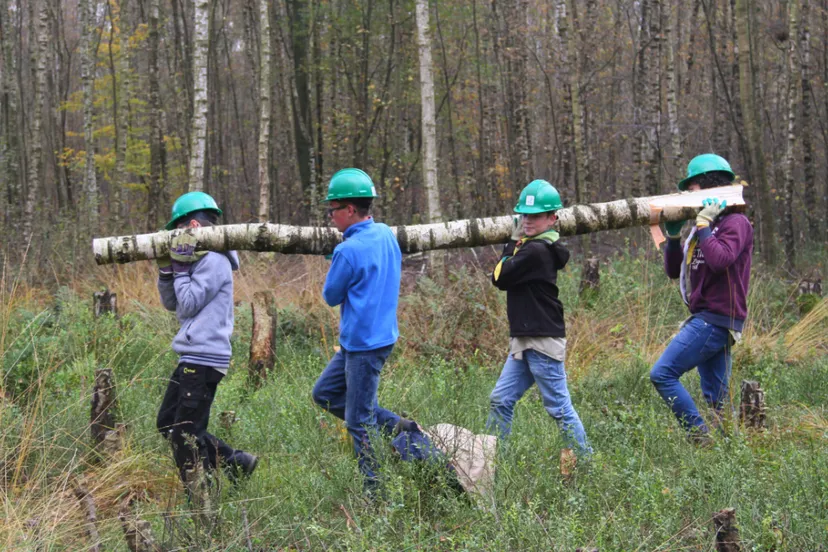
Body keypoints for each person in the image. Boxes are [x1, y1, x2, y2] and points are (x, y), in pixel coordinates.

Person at [311, 168, 416, 494]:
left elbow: (330, 296)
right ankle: (398, 425)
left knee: (358, 421)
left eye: (333, 210)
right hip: (376, 338)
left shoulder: (347, 251)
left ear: (351, 210)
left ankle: (376, 493)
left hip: (363, 345)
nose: (330, 216)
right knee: (324, 394)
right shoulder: (385, 233)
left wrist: (338, 260)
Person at [650, 154, 754, 444]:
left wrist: (705, 226)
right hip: (707, 317)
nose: (688, 194)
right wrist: (672, 239)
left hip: (715, 318)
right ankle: (729, 450)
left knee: (662, 374)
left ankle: (699, 436)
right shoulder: (702, 226)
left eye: (692, 187)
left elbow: (720, 260)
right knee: (717, 399)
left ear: (710, 186)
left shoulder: (736, 223)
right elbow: (674, 271)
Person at [486, 179, 592, 462]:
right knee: (500, 400)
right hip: (526, 337)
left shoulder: (534, 250)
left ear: (552, 218)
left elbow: (499, 277)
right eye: (524, 215)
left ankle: (586, 463)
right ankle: (492, 460)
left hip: (541, 338)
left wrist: (510, 243)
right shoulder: (537, 245)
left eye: (535, 216)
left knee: (559, 407)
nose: (528, 221)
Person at [156, 191, 258, 485]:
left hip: (204, 358)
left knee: (185, 434)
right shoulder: (199, 259)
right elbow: (173, 303)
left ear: (193, 227)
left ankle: (201, 497)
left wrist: (180, 269)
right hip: (192, 355)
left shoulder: (214, 260)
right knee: (167, 424)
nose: (175, 235)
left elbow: (187, 303)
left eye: (177, 229)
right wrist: (168, 272)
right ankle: (235, 462)